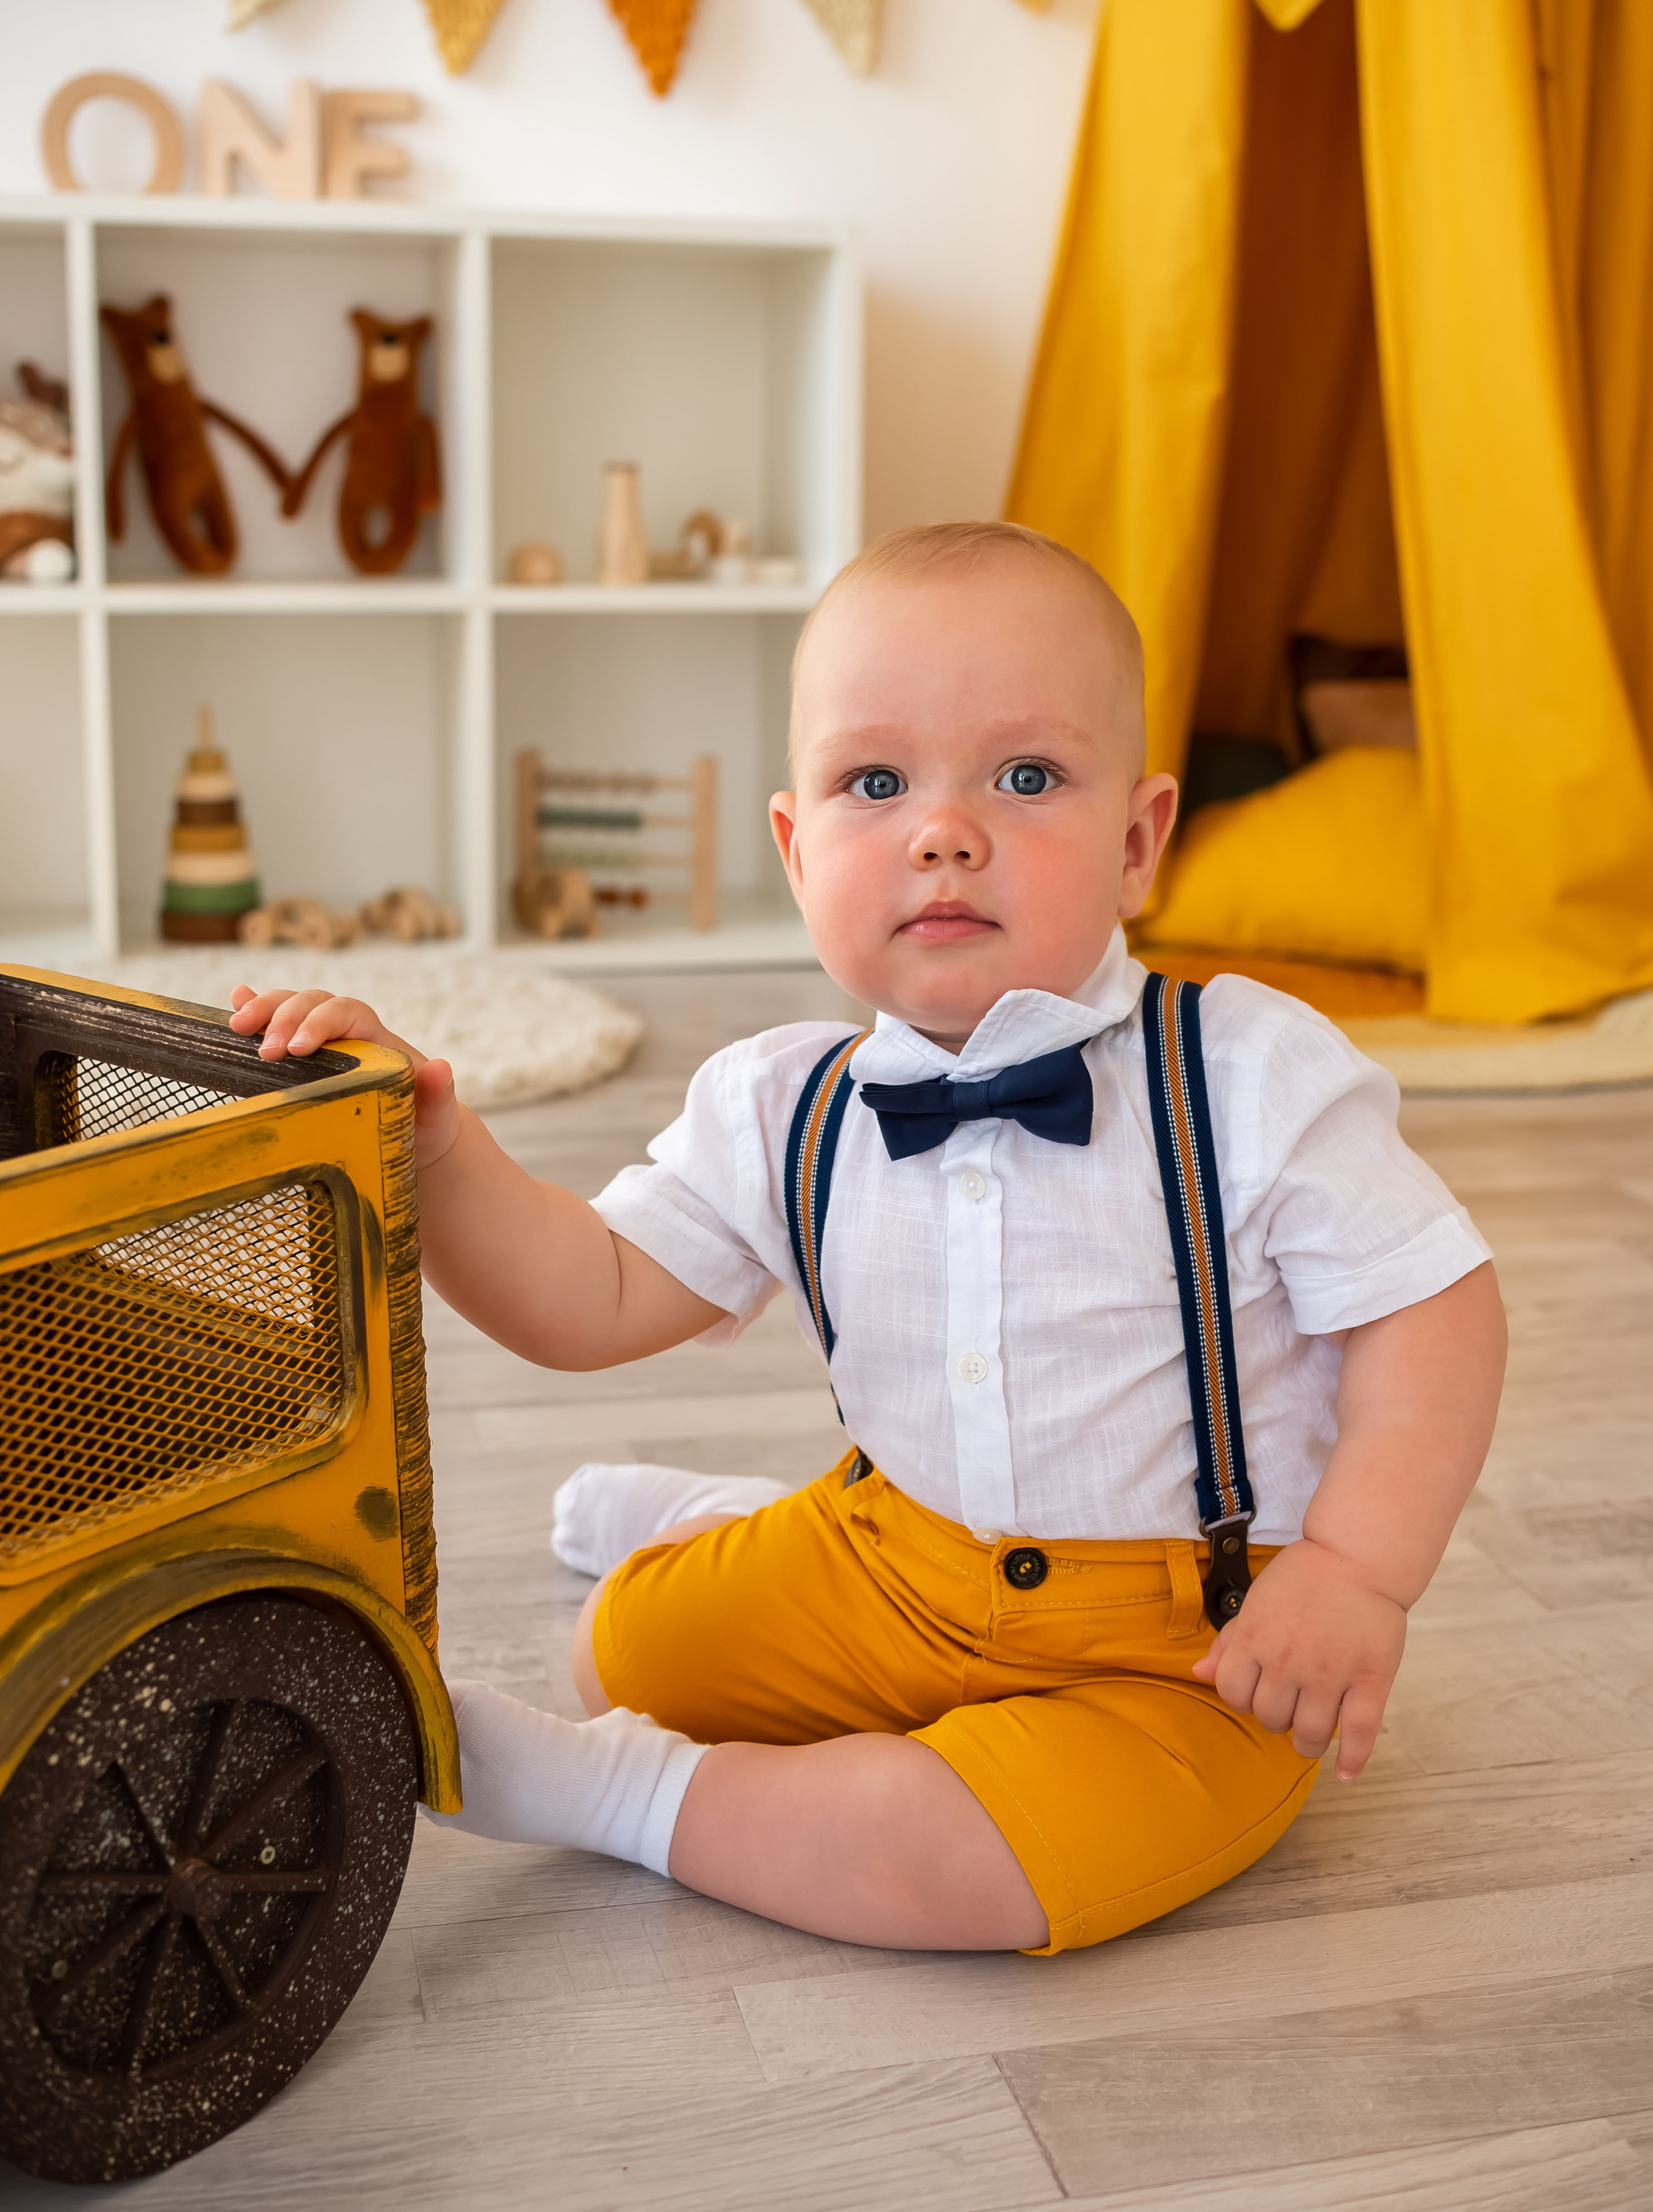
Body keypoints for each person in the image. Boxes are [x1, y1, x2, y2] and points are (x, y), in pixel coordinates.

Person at [230, 522, 1505, 1958]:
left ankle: (619, 1795)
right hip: (894, 1555)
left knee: (950, 1868)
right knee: (618, 1652)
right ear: (794, 846)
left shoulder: (1250, 1074)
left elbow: (1434, 1313)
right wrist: (443, 1152)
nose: (942, 830)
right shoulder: (787, 1102)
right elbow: (580, 1302)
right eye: (874, 782)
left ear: (1138, 839)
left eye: (1025, 778)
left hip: (1189, 1645)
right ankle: (723, 1531)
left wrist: (1351, 1571)